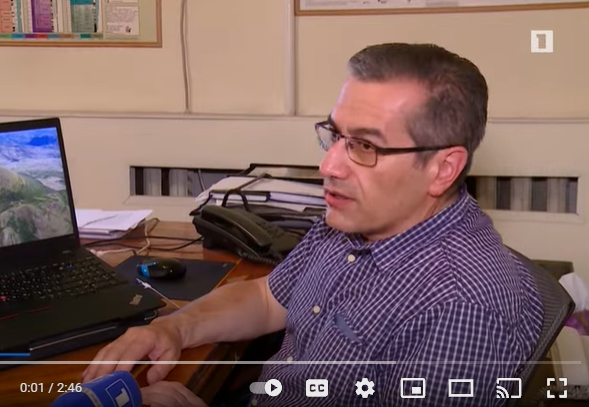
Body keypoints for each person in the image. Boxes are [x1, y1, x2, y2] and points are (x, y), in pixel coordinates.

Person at [82, 43, 544, 407]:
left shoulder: (460, 306)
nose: (329, 166)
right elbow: (268, 298)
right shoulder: (355, 221)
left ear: (443, 169)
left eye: (365, 146)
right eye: (336, 135)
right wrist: (175, 329)